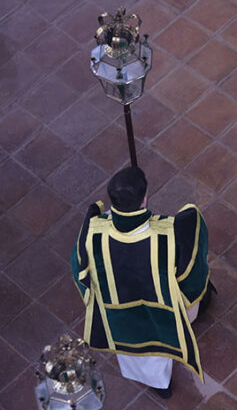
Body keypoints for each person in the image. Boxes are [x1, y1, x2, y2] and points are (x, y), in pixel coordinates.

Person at [71, 167, 210, 398]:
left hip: (122, 318)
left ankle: (160, 385)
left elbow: (80, 272)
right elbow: (191, 276)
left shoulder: (92, 232)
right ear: (144, 199)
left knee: (138, 354)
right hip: (164, 313)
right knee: (182, 313)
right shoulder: (170, 233)